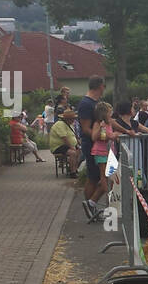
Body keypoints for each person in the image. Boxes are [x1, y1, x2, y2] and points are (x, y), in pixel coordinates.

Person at [78, 75, 108, 220]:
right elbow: (85, 128)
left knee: (97, 177)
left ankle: (91, 206)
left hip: (97, 145)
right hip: (91, 145)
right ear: (99, 86)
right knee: (93, 177)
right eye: (104, 86)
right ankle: (90, 206)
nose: (104, 89)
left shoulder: (96, 102)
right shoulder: (86, 104)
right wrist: (100, 136)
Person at [87, 100, 117, 217]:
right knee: (105, 177)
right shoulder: (98, 123)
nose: (111, 114)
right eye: (109, 112)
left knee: (112, 177)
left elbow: (113, 132)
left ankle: (92, 201)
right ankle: (110, 200)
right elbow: (94, 137)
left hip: (110, 152)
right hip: (101, 152)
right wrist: (101, 128)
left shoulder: (110, 123)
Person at [48, 107, 81, 172]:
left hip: (66, 146)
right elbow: (64, 138)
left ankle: (73, 168)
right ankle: (73, 172)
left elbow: (72, 135)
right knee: (73, 153)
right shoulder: (60, 124)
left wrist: (78, 143)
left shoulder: (69, 125)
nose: (74, 120)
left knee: (80, 151)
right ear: (68, 119)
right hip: (58, 146)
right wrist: (72, 147)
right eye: (73, 119)